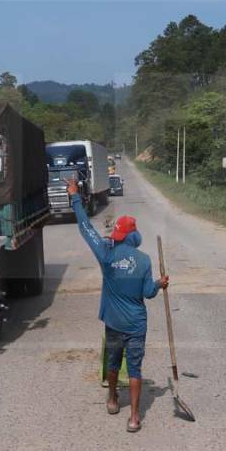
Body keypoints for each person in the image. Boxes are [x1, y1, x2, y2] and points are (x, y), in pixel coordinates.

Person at [66, 177, 169, 432]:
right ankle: (134, 417)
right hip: (136, 324)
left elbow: (85, 227)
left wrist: (75, 197)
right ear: (134, 236)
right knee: (135, 368)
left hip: (114, 322)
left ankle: (112, 398)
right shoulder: (144, 260)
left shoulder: (106, 253)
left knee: (113, 362)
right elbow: (148, 293)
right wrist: (159, 284)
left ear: (118, 236)